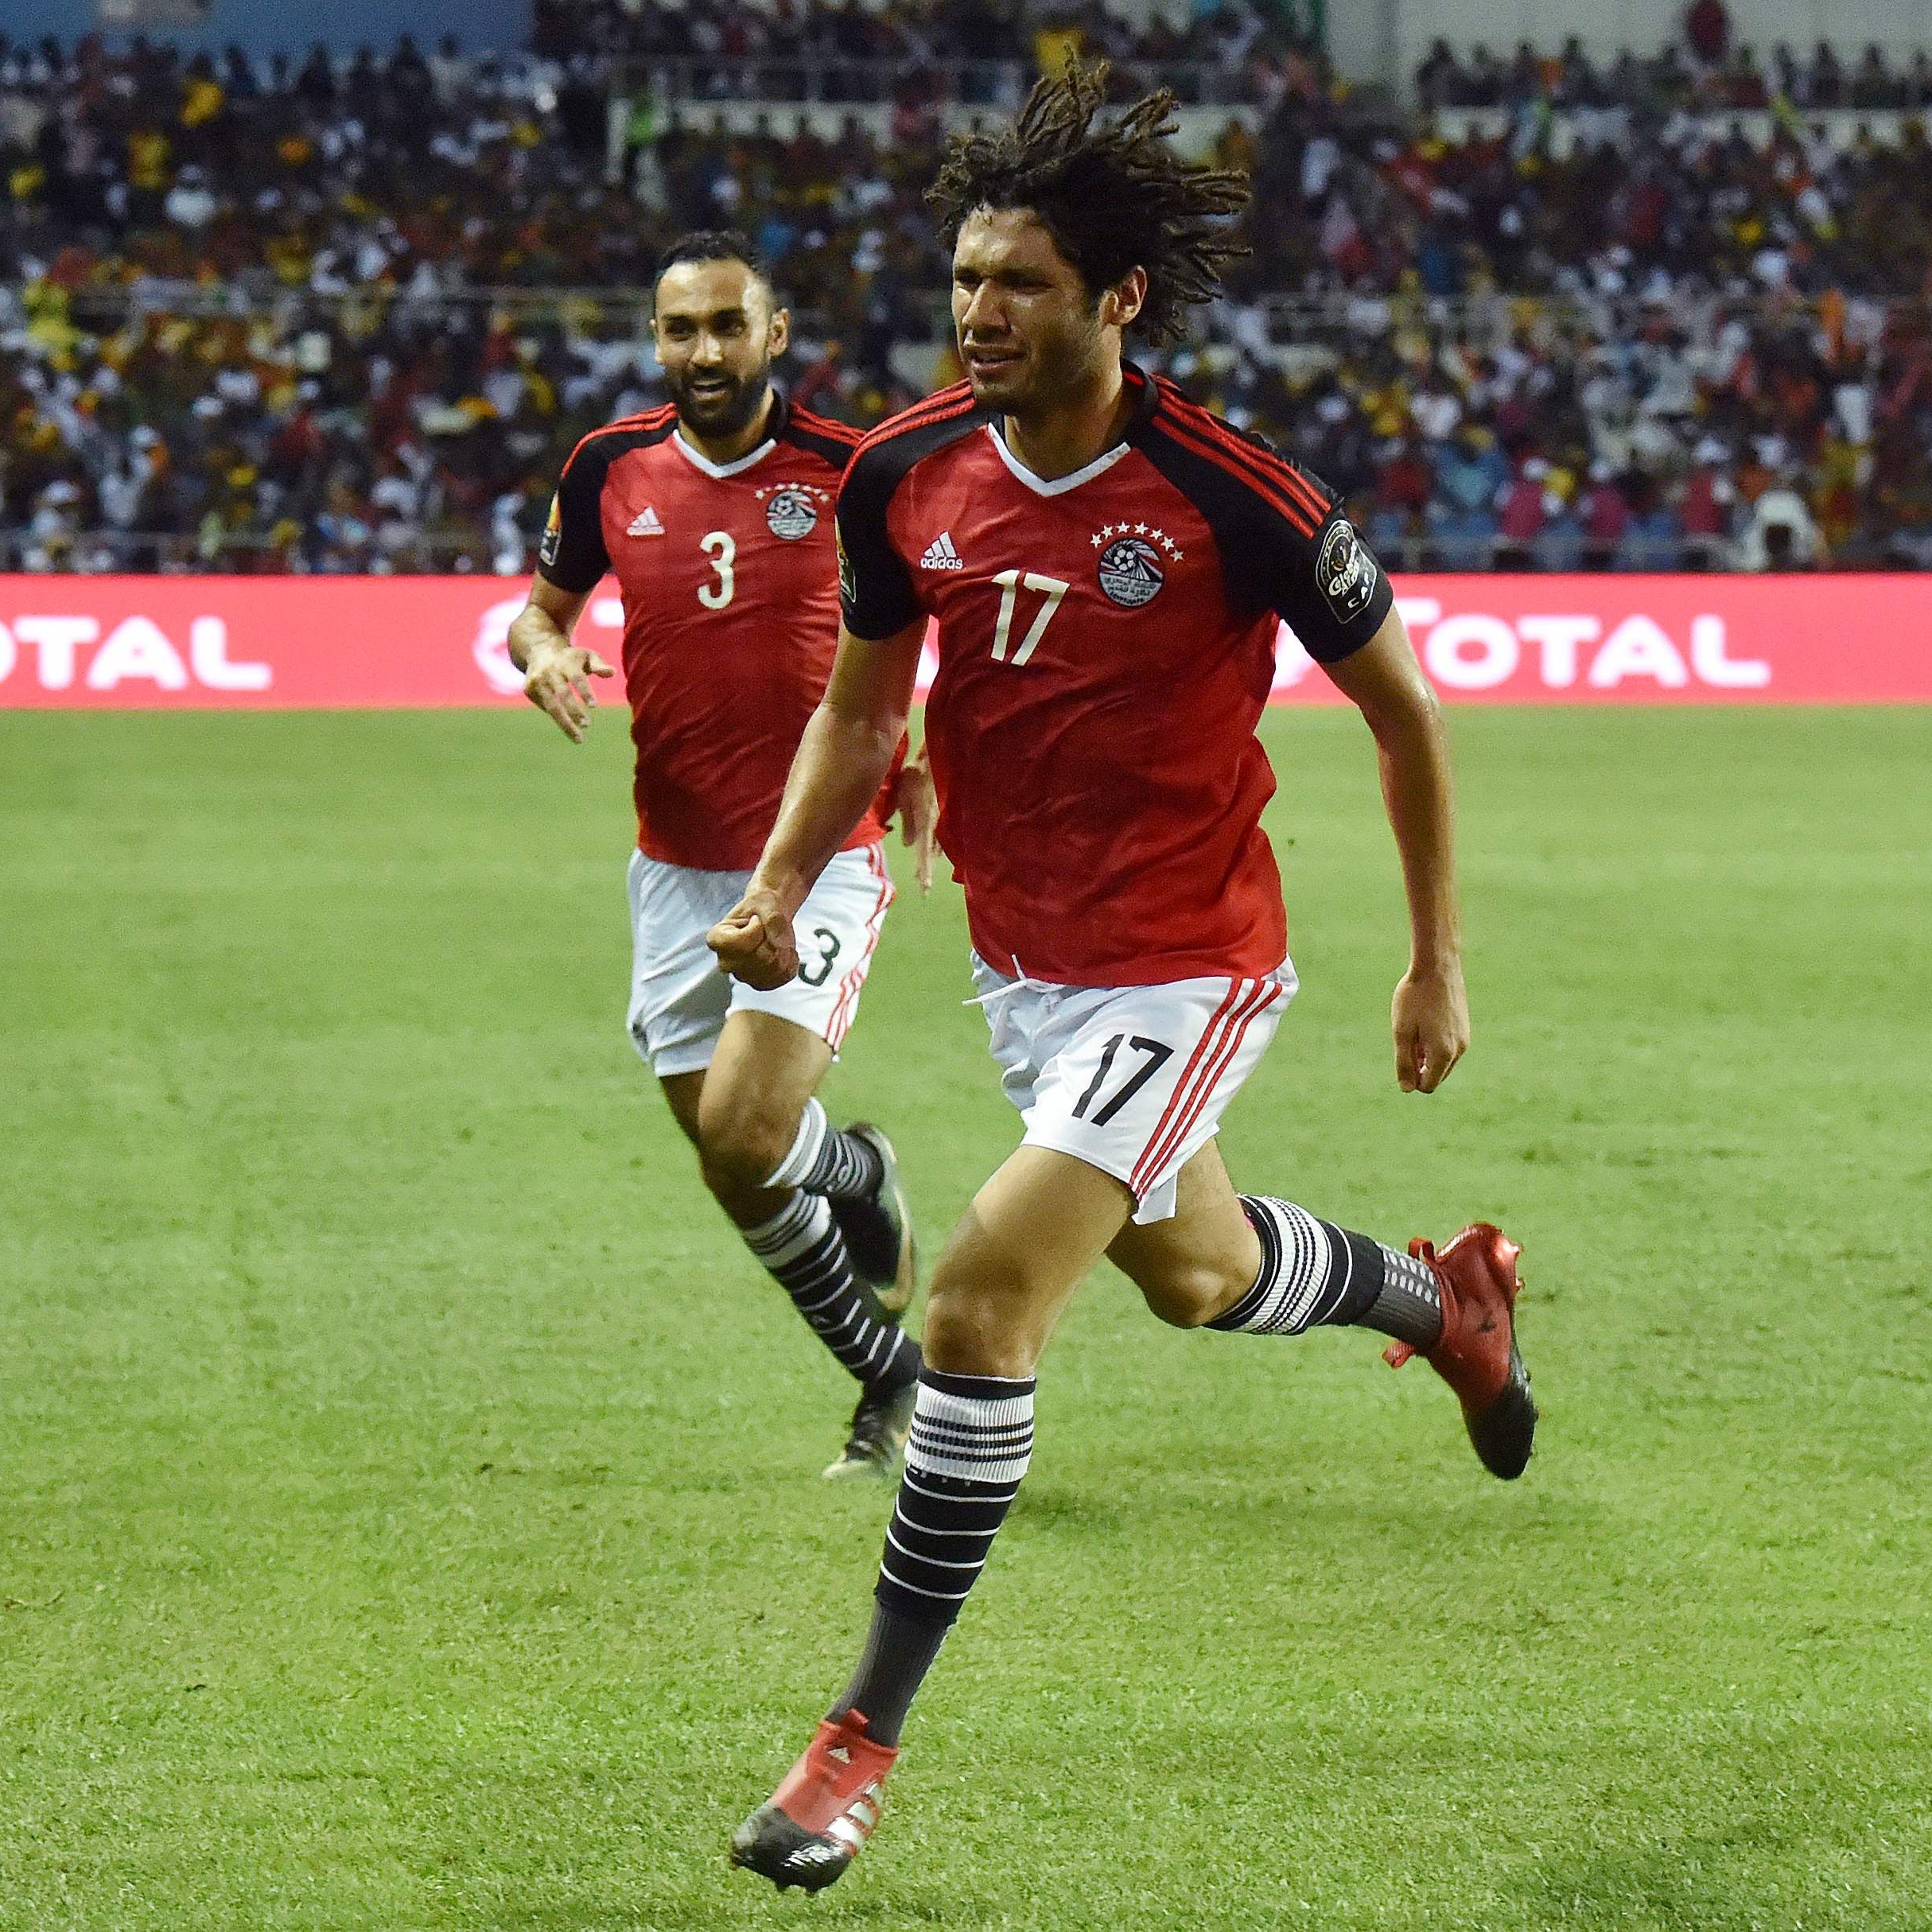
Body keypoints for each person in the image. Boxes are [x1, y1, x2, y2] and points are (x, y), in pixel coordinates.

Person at [707, 66, 1536, 1892]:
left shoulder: (1234, 496)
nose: (976, 314)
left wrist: (1434, 964)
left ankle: (855, 1741)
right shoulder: (905, 478)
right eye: (962, 282)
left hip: (1188, 961)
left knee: (982, 1306)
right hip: (1031, 968)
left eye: (1015, 285)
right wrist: (778, 887)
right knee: (1196, 1274)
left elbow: (1402, 716)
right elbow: (860, 703)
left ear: (1115, 300)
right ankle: (1438, 1303)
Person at [509, 231, 932, 1480]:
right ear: (656, 340)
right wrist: (539, 652)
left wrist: (922, 753)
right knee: (733, 1168)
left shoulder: (856, 470)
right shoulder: (606, 469)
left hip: (817, 853)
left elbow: (940, 616)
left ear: (775, 334)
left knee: (750, 1134)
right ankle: (886, 1371)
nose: (703, 350)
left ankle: (856, 1173)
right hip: (673, 859)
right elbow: (543, 608)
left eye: (725, 326)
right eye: (680, 329)